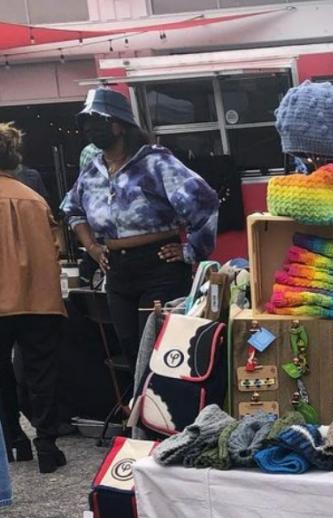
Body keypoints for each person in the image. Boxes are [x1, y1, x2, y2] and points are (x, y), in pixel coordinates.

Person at [61, 88, 219, 366]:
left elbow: (204, 201)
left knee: (158, 348)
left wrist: (191, 251)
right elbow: (72, 209)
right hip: (117, 270)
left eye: (97, 121)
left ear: (119, 125)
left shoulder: (155, 163)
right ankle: (136, 395)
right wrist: (93, 248)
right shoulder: (92, 171)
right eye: (86, 122)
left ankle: (161, 395)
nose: (90, 128)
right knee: (130, 348)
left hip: (159, 266)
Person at [0, 123, 67, 473]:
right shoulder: (35, 198)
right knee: (42, 372)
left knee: (1, 374)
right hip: (40, 298)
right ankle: (47, 444)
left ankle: (14, 438)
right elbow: (56, 246)